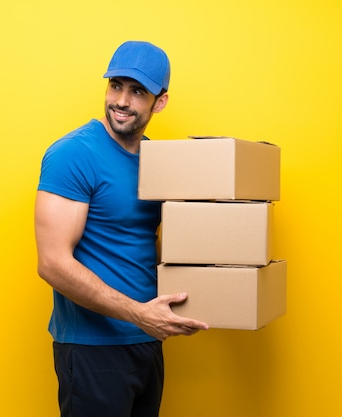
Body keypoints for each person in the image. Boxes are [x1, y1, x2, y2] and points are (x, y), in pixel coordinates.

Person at [34, 40, 209, 417]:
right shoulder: (74, 154)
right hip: (92, 348)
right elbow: (51, 263)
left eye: (137, 91)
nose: (122, 101)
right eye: (116, 86)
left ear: (159, 101)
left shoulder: (158, 161)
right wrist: (139, 314)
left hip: (147, 340)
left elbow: (159, 245)